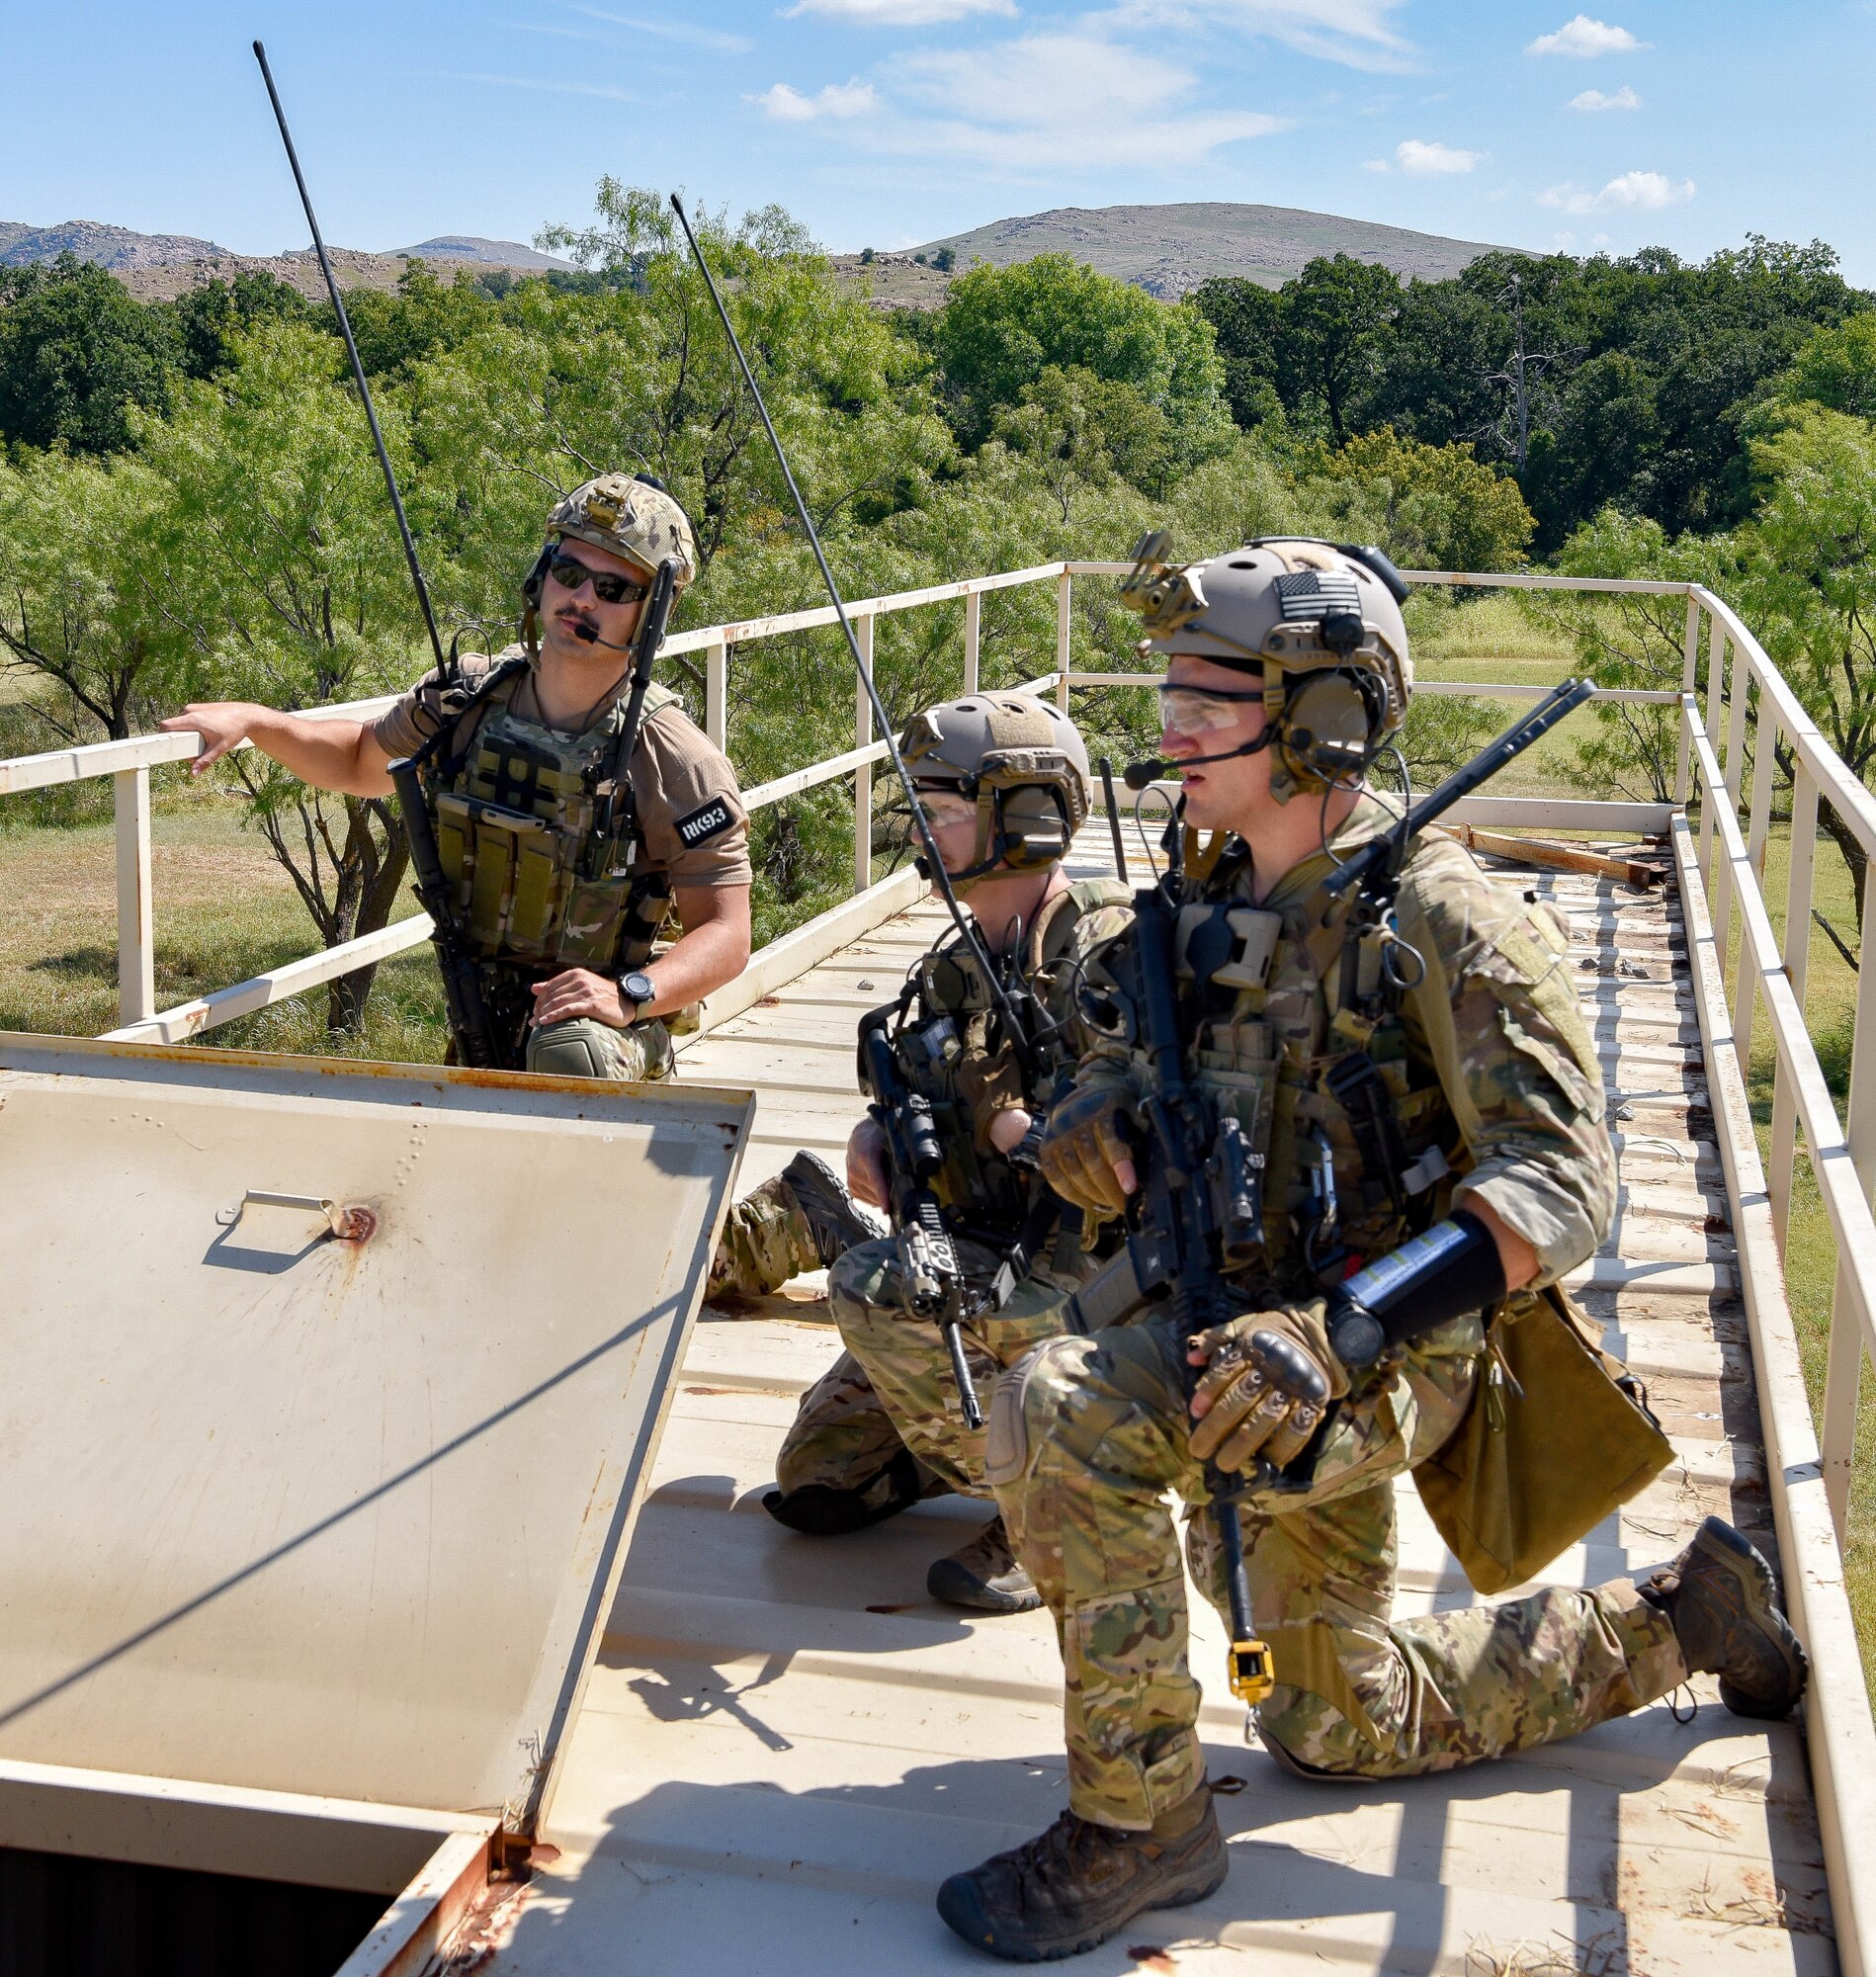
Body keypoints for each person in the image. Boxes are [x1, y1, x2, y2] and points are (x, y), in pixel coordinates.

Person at [936, 540, 1811, 1961]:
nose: (1168, 729)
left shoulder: (1444, 919)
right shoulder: (1200, 888)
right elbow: (1115, 1046)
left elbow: (1561, 1181)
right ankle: (1681, 1615)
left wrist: (1329, 1333)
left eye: (1206, 700)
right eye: (1169, 695)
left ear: (1324, 720)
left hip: (1382, 1349)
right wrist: (1095, 1115)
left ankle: (1139, 1823)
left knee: (1064, 1406)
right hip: (1229, 1316)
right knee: (1333, 1725)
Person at [161, 473, 750, 1080]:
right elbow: (360, 758)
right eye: (569, 574)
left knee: (567, 1050)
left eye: (612, 588)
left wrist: (630, 994)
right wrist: (258, 722)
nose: (583, 600)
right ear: (542, 575)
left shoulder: (672, 757)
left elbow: (726, 933)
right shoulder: (466, 700)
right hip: (482, 1013)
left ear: (651, 612)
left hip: (601, 1037)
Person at [758, 693, 1134, 1612]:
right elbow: (925, 1081)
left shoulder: (1108, 954)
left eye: (942, 812)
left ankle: (1068, 1499)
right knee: (820, 1477)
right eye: (916, 809)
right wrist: (876, 1132)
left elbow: (1142, 1161)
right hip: (979, 1259)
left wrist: (1033, 1137)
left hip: (1098, 1285)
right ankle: (986, 1446)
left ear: (1029, 818)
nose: (919, 833)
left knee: (867, 1288)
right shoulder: (962, 957)